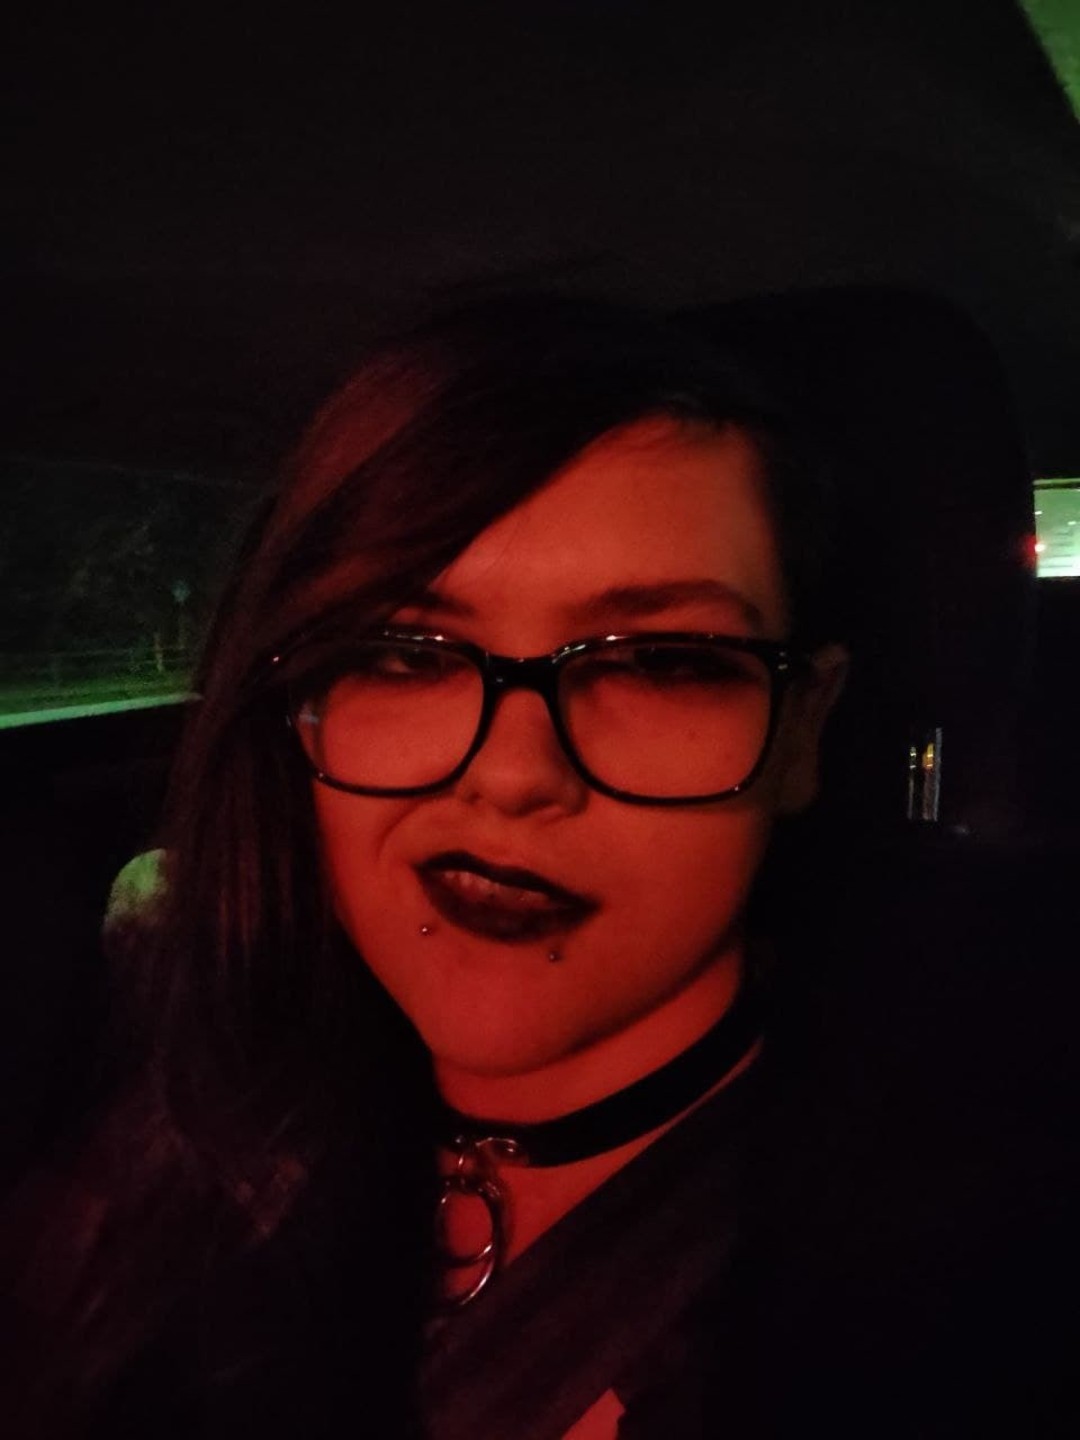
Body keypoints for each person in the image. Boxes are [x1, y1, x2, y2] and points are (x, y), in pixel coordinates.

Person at [3, 295, 850, 1438]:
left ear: (799, 732)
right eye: (404, 655)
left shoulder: (930, 1254)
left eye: (659, 662)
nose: (512, 775)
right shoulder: (185, 1103)